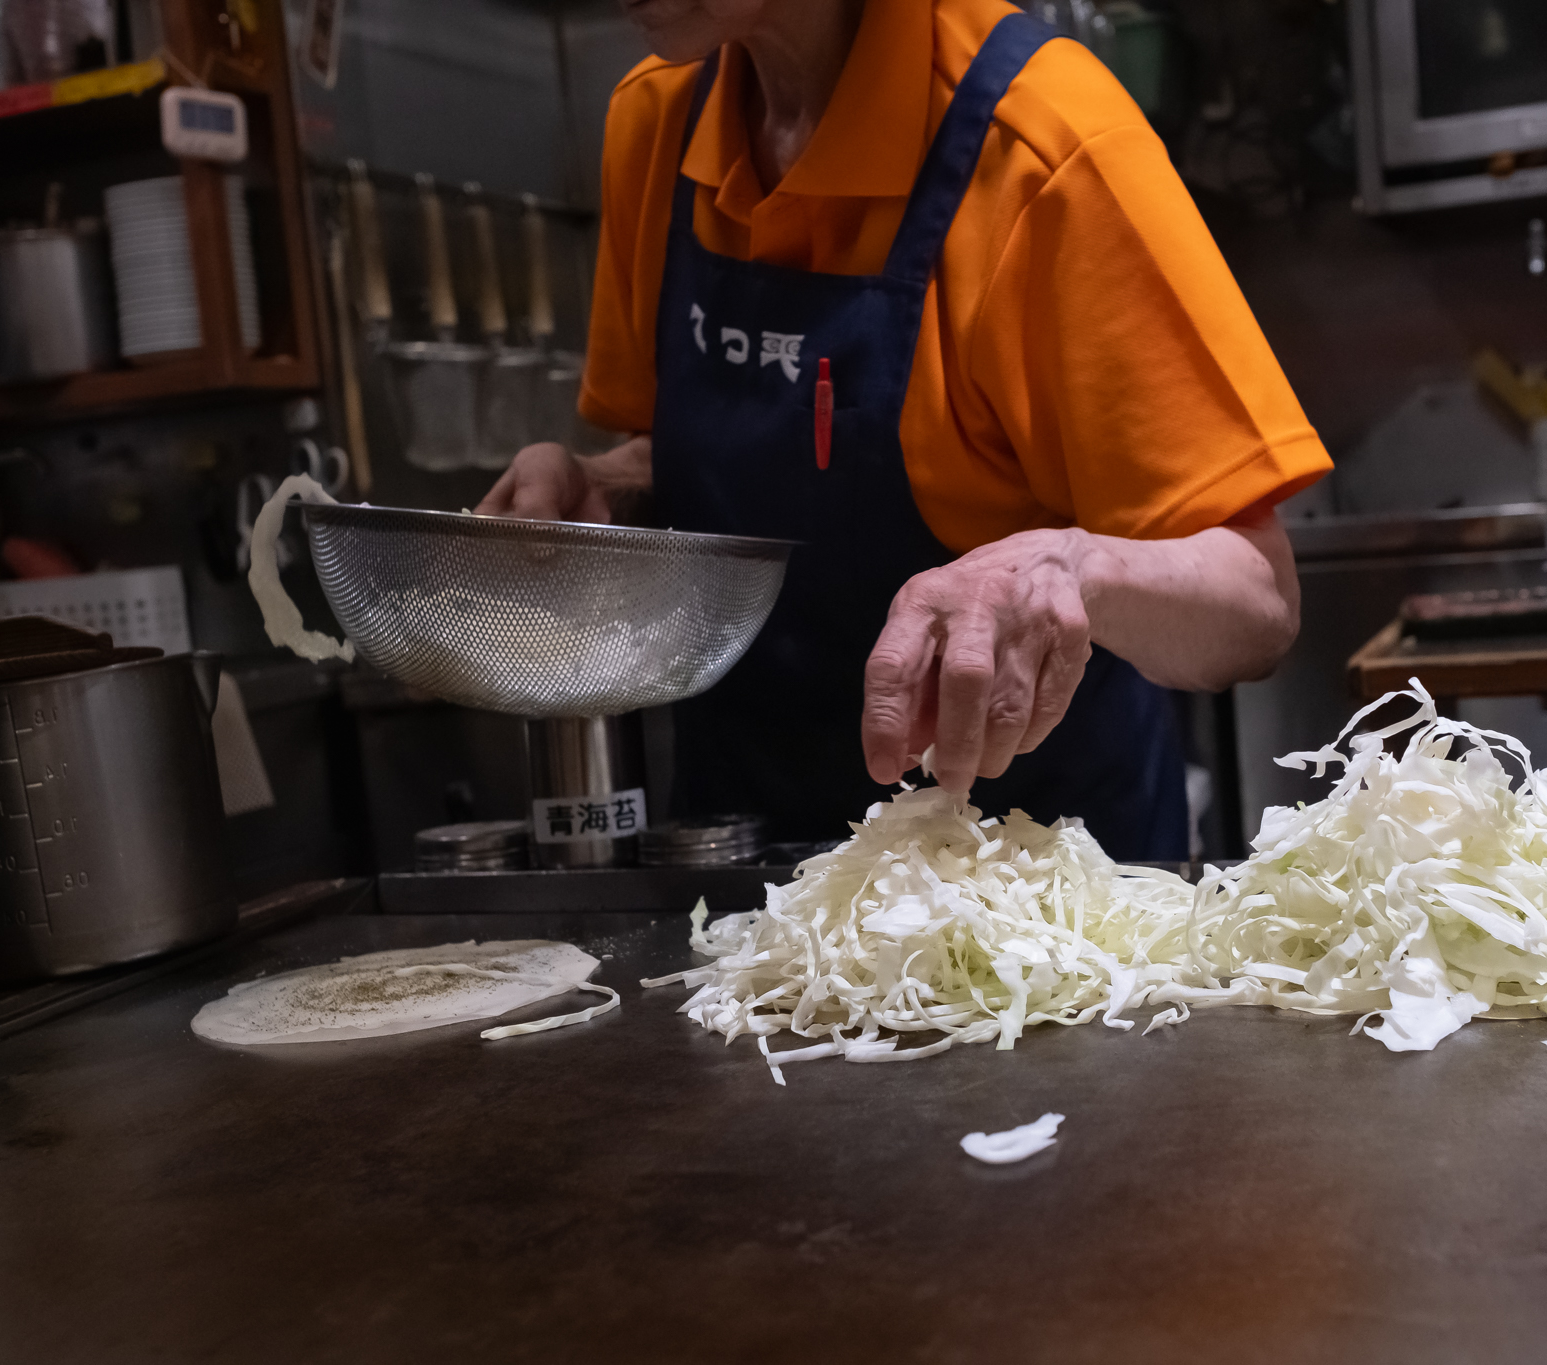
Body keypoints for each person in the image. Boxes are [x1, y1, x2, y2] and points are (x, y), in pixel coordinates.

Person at [479, 0, 1330, 859]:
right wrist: (604, 492)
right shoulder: (658, 118)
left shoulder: (1045, 143)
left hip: (1033, 883)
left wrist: (1072, 567)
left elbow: (1257, 600)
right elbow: (699, 461)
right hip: (745, 874)